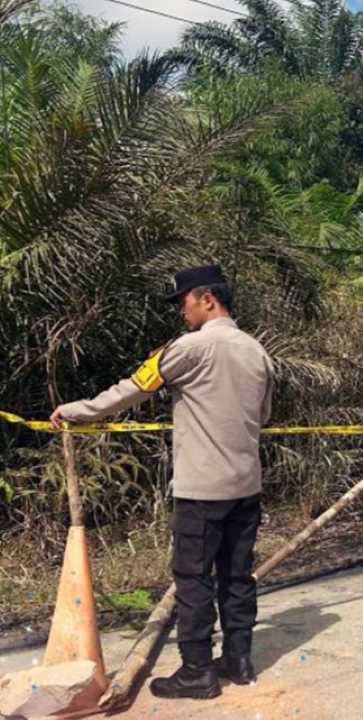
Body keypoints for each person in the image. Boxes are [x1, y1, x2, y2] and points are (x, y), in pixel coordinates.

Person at [50, 265, 274, 700]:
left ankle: (196, 672)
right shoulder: (256, 350)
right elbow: (261, 417)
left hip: (201, 490)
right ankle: (239, 661)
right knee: (236, 575)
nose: (181, 312)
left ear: (207, 298)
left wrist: (76, 410)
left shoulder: (189, 348)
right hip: (246, 486)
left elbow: (132, 389)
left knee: (192, 580)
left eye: (183, 302)